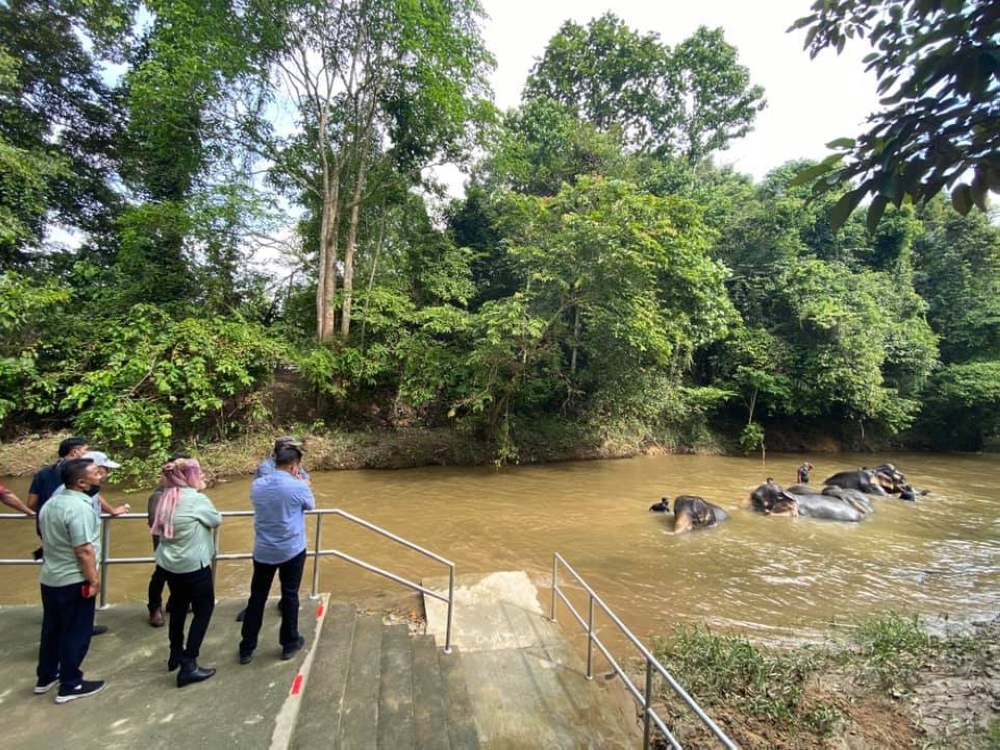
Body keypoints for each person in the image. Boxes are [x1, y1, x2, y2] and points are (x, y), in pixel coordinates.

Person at [34, 458, 106, 703]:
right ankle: (71, 684)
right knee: (77, 632)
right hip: (74, 580)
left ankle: (46, 677)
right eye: (97, 473)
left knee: (52, 629)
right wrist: (93, 581)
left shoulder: (51, 503)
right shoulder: (79, 508)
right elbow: (83, 549)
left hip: (50, 578)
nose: (101, 477)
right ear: (82, 482)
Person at [238, 445, 315, 664]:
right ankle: (289, 644)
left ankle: (246, 647)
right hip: (292, 549)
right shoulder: (297, 486)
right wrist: (303, 484)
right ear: (293, 466)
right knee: (290, 595)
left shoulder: (258, 485)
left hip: (263, 549)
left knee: (257, 596)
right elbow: (310, 505)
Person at [151, 458, 221, 688]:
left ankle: (175, 652)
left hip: (169, 564)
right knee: (204, 609)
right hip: (193, 564)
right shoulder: (195, 499)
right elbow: (215, 519)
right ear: (190, 476)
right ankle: (189, 664)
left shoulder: (164, 497)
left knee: (179, 607)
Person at [28, 437, 89, 554]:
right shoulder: (79, 472)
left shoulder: (42, 473)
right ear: (75, 452)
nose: (88, 454)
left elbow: (31, 504)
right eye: (86, 450)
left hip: (46, 529)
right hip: (72, 529)